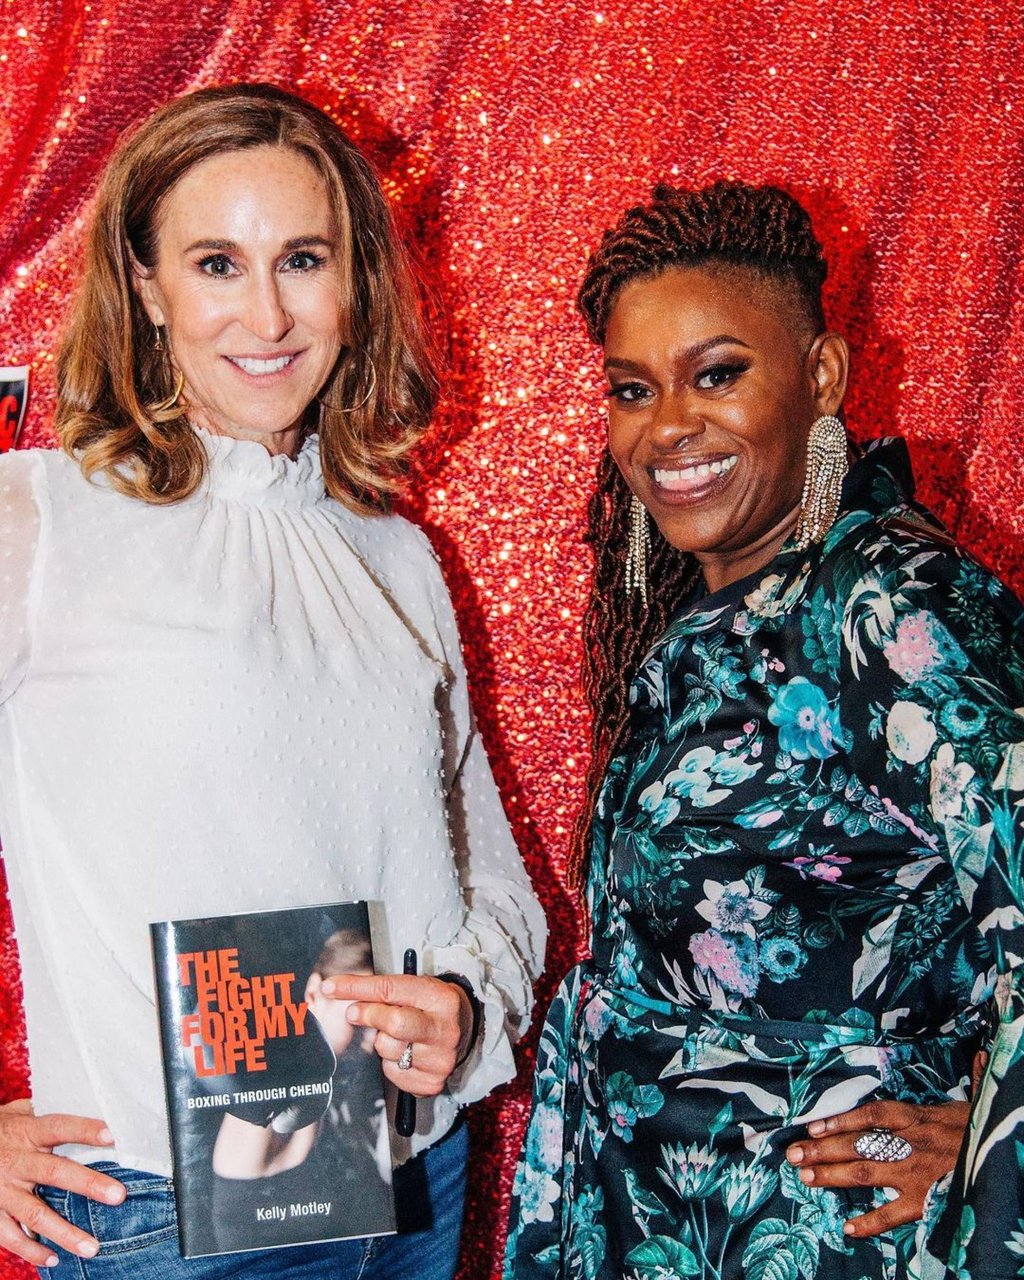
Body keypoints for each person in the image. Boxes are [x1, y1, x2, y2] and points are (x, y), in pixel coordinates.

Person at [0, 82, 545, 1279]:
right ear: (145, 286)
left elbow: (488, 866)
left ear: (356, 279)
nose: (267, 312)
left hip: (412, 1170)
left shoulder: (398, 555)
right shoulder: (37, 523)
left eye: (302, 257)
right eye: (215, 262)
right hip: (164, 1210)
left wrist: (460, 998)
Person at [504, 180, 1024, 1280]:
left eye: (718, 373)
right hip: (647, 1212)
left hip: (804, 1235)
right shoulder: (724, 608)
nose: (667, 427)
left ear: (822, 376)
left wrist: (994, 1132)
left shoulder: (887, 605)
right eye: (633, 388)